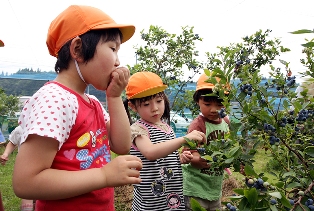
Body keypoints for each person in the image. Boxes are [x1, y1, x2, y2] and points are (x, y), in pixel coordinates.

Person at [12, 5, 142, 211]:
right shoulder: (54, 100)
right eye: (112, 48)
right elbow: (26, 182)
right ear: (78, 49)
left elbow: (121, 145)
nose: (118, 61)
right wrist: (104, 175)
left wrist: (115, 96)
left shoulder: (92, 102)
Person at [124, 71, 206, 210]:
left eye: (159, 101)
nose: (155, 108)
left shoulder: (166, 127)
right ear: (133, 106)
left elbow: (164, 156)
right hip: (151, 199)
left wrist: (178, 158)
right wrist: (184, 139)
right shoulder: (138, 130)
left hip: (171, 196)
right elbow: (150, 152)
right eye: (146, 104)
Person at [182, 73, 230, 211]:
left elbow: (228, 145)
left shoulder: (226, 122)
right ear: (198, 101)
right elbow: (188, 153)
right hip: (195, 187)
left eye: (219, 104)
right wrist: (197, 159)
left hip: (214, 186)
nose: (214, 110)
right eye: (207, 104)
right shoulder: (198, 125)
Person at [0, 126, 35, 211]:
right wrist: (5, 154)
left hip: (45, 166)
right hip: (25, 166)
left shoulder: (49, 126)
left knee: (41, 191)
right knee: (27, 192)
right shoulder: (21, 128)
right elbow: (12, 142)